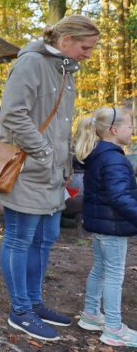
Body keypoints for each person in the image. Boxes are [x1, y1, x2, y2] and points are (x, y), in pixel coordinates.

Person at [0, 15, 100, 342]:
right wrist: (43, 151)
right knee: (20, 238)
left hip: (52, 174)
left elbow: (59, 122)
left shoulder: (64, 68)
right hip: (27, 170)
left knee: (44, 238)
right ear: (66, 39)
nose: (88, 54)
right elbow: (12, 114)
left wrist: (63, 161)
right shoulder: (31, 63)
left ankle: (34, 302)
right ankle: (20, 310)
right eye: (86, 47)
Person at [74, 107, 137, 347]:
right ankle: (113, 328)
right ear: (114, 129)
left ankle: (91, 314)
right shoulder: (114, 159)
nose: (132, 130)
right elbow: (120, 197)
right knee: (113, 275)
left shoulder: (100, 154)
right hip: (112, 227)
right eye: (130, 126)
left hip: (102, 225)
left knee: (101, 268)